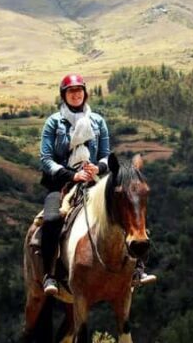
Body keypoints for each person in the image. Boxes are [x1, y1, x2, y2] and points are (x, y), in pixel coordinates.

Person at [38, 73, 156, 295]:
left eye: (79, 91)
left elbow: (105, 155)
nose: (76, 95)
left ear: (85, 93)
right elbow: (45, 159)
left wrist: (98, 168)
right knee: (52, 219)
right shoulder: (53, 122)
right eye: (71, 92)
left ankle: (138, 268)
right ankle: (49, 275)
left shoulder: (98, 121)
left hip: (94, 182)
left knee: (128, 211)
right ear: (64, 95)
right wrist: (70, 175)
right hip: (62, 184)